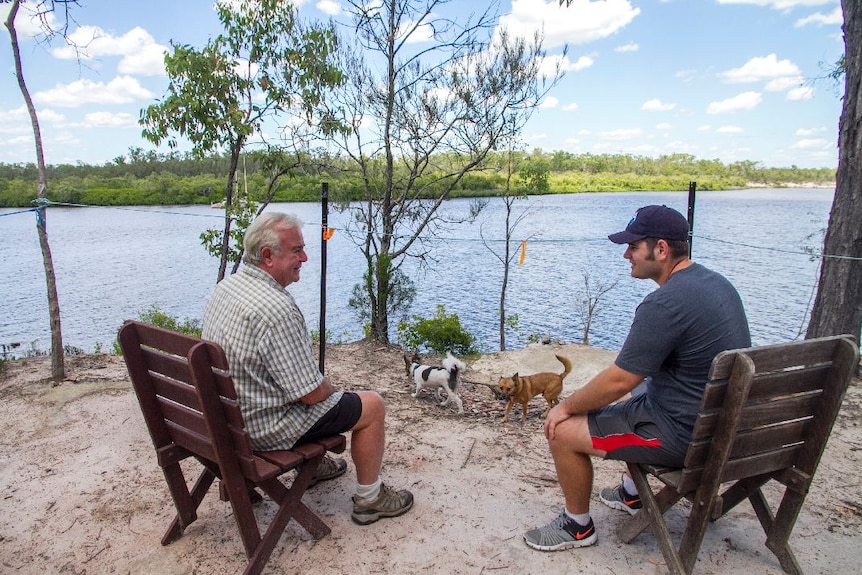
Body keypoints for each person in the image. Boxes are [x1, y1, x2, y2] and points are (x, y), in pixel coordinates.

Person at [523, 204, 750, 551]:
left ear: (661, 249)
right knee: (640, 392)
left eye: (633, 246)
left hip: (688, 439)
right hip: (730, 430)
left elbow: (619, 380)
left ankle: (577, 526)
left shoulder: (664, 304)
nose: (626, 254)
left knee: (562, 430)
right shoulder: (718, 284)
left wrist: (565, 407)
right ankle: (632, 494)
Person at [201, 212, 413, 526]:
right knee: (371, 405)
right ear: (268, 256)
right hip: (261, 431)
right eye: (296, 250)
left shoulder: (227, 287)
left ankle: (312, 466)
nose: (305, 257)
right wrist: (330, 387)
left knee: (306, 391)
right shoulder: (275, 308)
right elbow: (311, 395)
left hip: (223, 421)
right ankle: (370, 500)